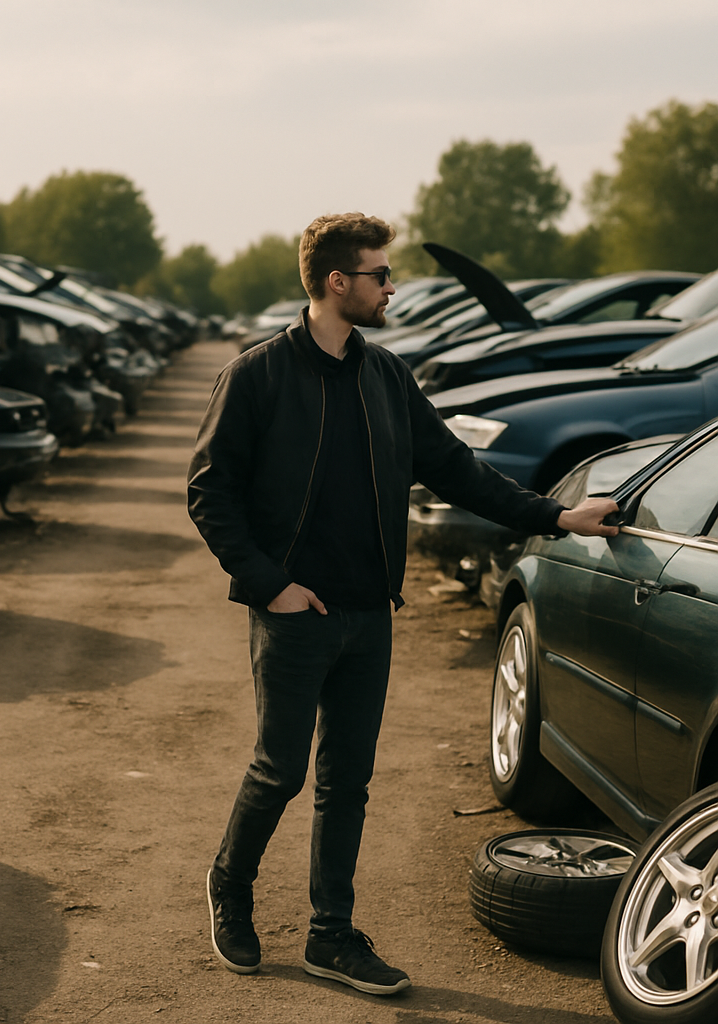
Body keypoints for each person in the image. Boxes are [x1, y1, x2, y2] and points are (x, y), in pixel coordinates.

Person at [186, 212, 619, 997]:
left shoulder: (386, 376)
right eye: (381, 274)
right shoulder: (256, 376)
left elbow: (457, 470)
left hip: (368, 614)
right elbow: (210, 493)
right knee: (280, 770)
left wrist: (556, 515)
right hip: (292, 614)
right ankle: (230, 885)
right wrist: (269, 585)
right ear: (335, 283)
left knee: (346, 782)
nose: (393, 286)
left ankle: (331, 935)